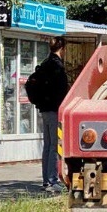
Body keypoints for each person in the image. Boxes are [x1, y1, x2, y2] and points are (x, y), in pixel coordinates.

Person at [33, 38, 70, 189]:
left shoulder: (45, 64)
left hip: (44, 110)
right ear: (62, 49)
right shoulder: (57, 67)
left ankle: (46, 180)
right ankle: (52, 180)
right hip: (55, 110)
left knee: (47, 145)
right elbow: (62, 91)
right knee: (55, 145)